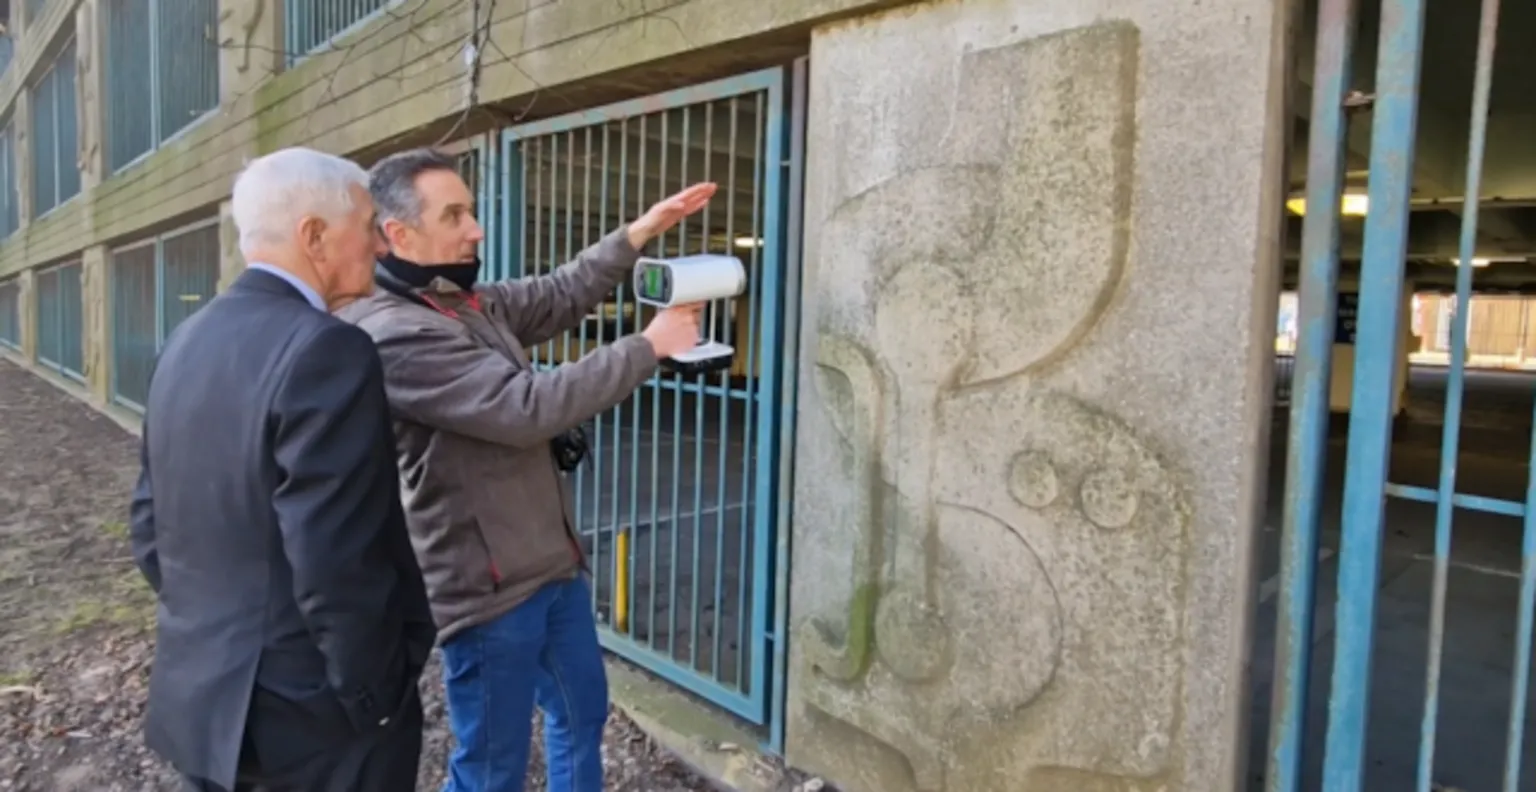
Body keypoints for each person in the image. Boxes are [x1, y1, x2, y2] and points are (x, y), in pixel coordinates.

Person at [336, 147, 712, 792]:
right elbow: (524, 407)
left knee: (580, 715)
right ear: (398, 233)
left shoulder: (462, 301)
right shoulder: (392, 332)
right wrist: (650, 345)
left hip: (551, 564)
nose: (475, 228)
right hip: (486, 589)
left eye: (472, 212)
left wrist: (636, 234)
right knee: (491, 767)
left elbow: (561, 292)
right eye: (455, 215)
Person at [129, 147, 437, 792]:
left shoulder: (184, 340)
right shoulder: (329, 348)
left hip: (206, 702)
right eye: (368, 225)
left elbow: (151, 526)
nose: (381, 247)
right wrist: (376, 696)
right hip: (311, 718)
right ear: (315, 236)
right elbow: (336, 555)